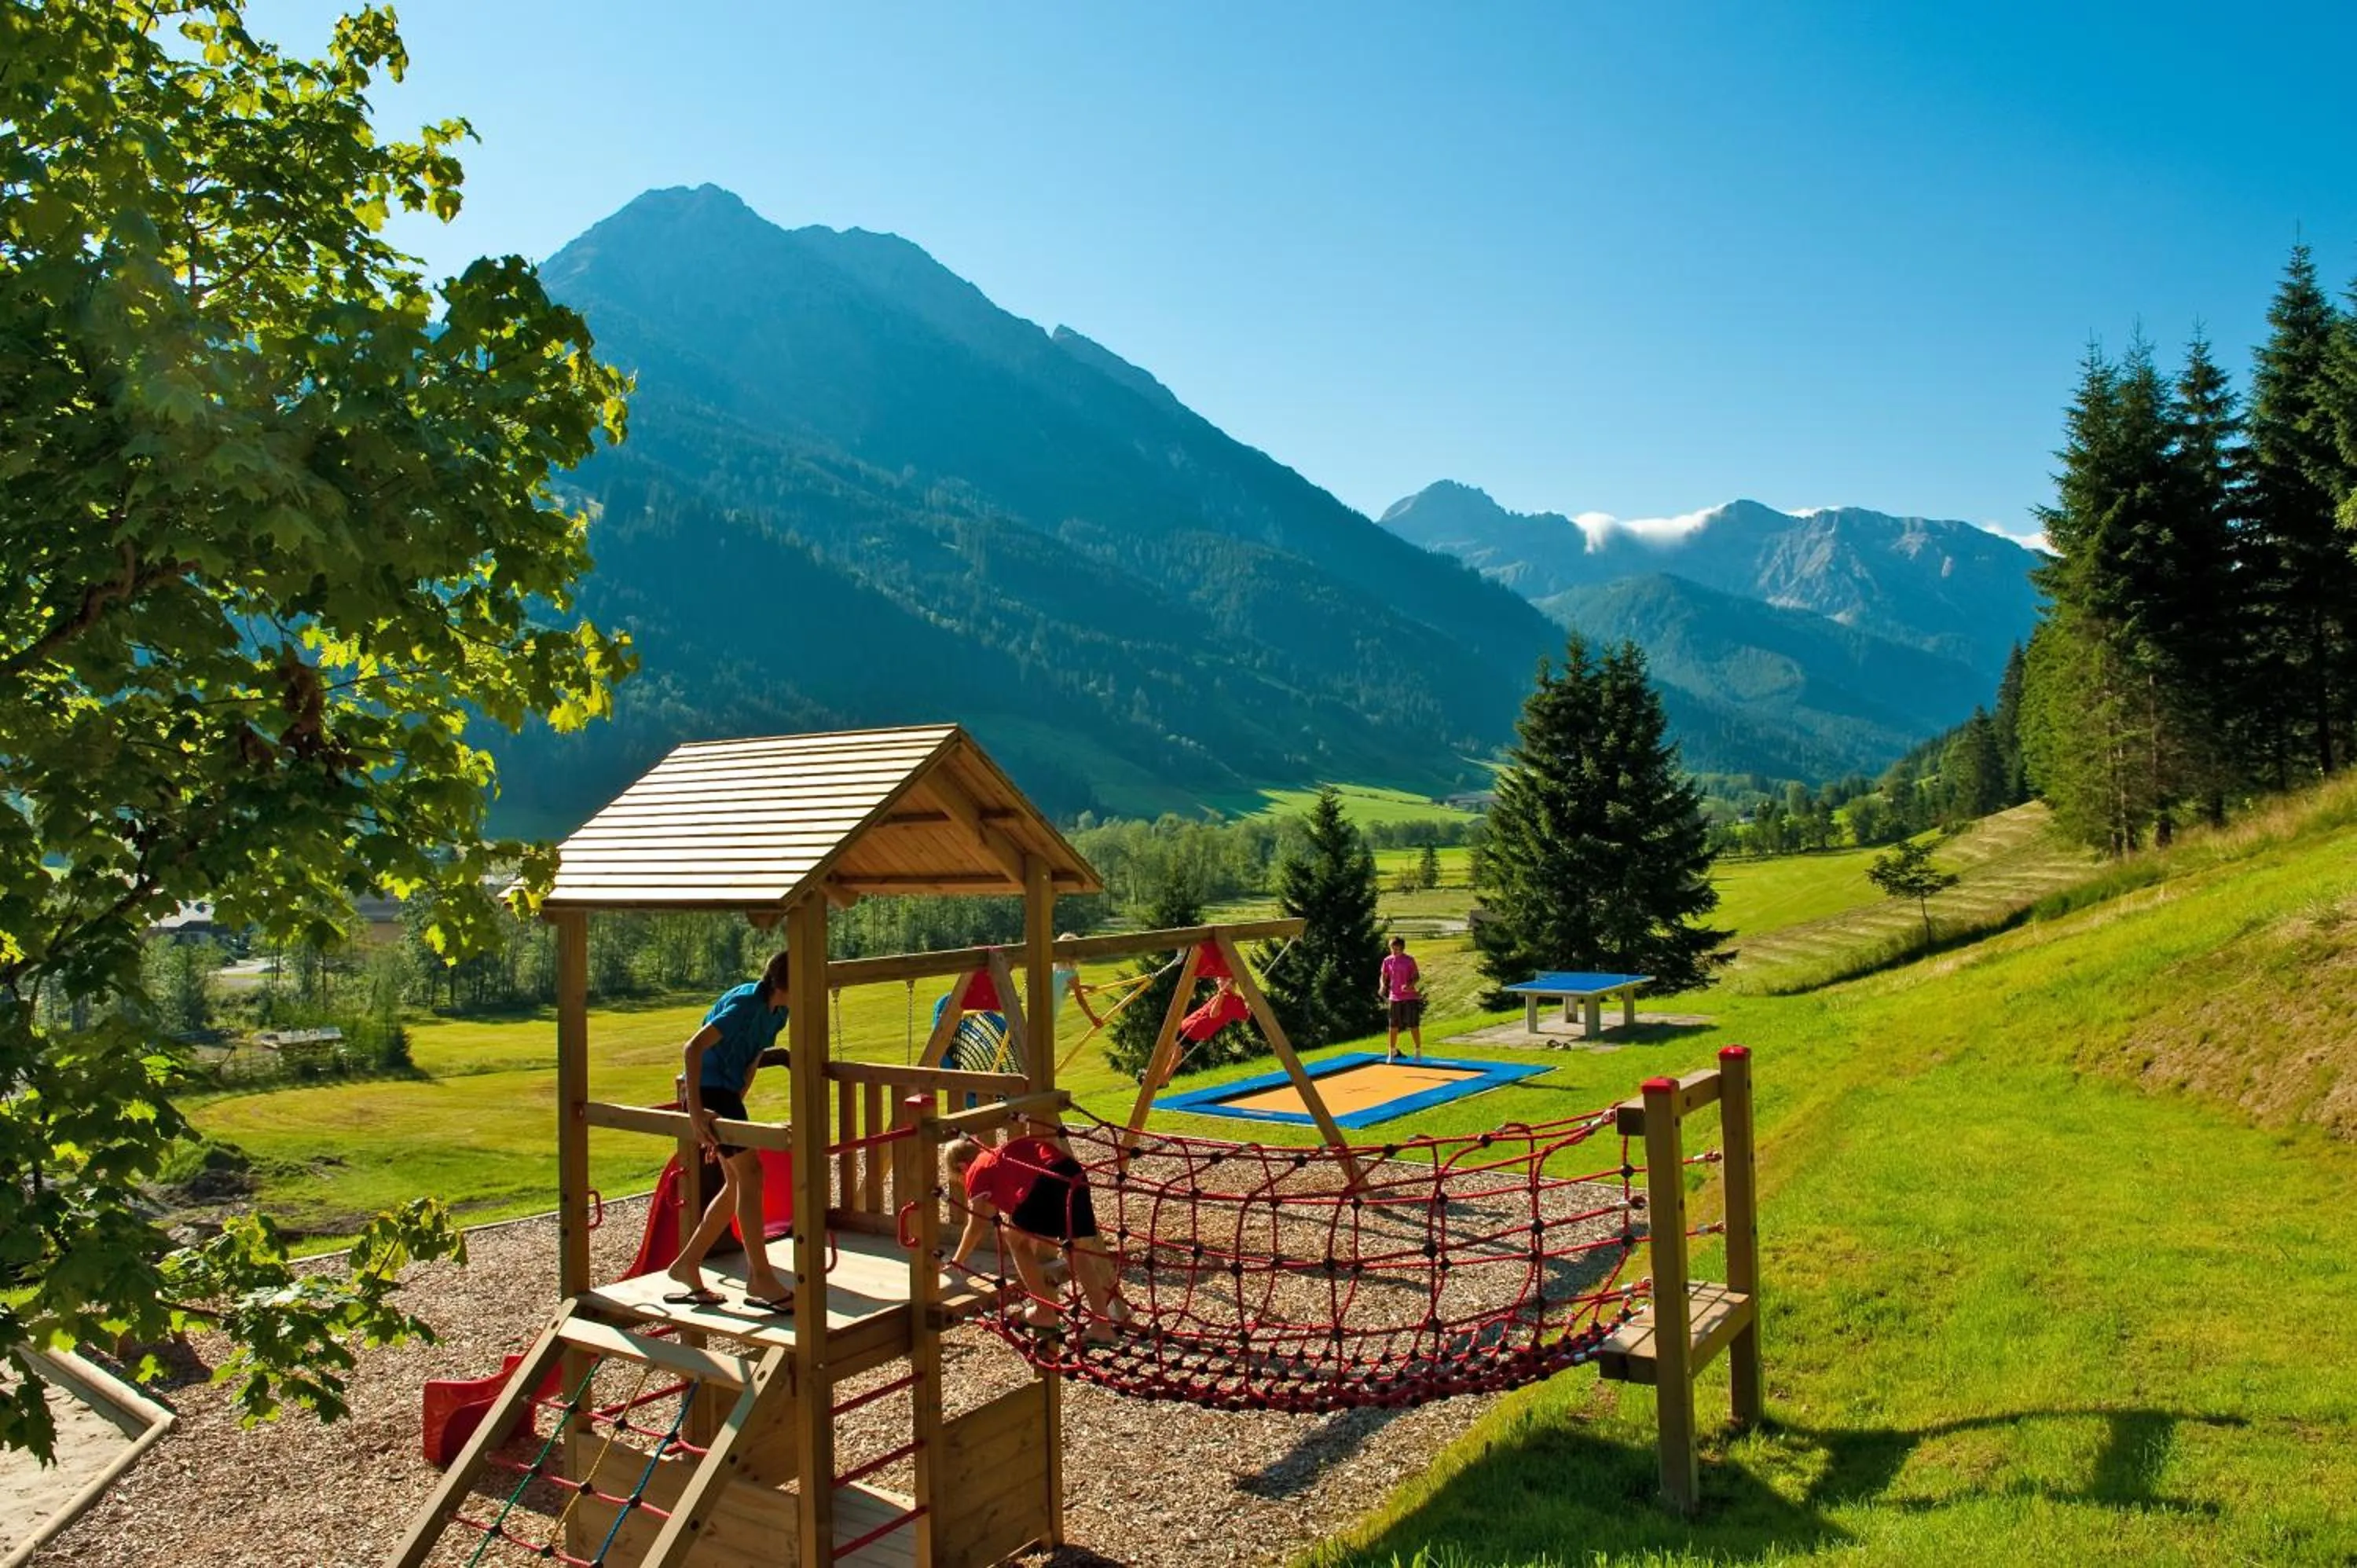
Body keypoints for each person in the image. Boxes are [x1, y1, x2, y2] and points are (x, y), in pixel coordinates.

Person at [665, 950, 796, 1314]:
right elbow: (692, 1049)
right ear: (790, 983)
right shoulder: (745, 1005)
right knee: (752, 1175)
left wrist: (731, 1117)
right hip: (706, 1091)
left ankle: (687, 1265)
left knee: (738, 1183)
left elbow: (751, 1056)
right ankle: (760, 1278)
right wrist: (696, 1114)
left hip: (727, 1094)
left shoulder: (779, 1013)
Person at [945, 1131, 1132, 1341]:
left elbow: (976, 1225)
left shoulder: (977, 1169)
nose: (964, 1181)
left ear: (962, 1167)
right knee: (1074, 1250)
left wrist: (959, 1260)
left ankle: (1044, 1311)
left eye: (960, 1178)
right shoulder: (998, 1158)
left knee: (1013, 1238)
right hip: (1072, 1172)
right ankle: (1102, 1325)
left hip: (1044, 1180)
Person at [1380, 936, 1424, 1064]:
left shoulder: (1409, 960)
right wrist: (1383, 985)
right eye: (1392, 949)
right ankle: (1391, 1052)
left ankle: (1418, 1051)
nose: (1395, 951)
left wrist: (1409, 986)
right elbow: (1383, 976)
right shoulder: (1387, 961)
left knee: (1413, 1025)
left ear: (1402, 948)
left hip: (1409, 996)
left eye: (1397, 949)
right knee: (1393, 1026)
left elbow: (1416, 977)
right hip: (1394, 997)